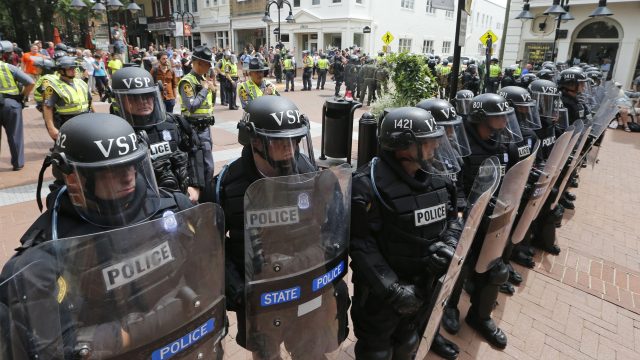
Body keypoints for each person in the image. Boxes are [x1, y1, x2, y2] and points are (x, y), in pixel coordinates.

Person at [0, 113, 226, 360]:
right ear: (75, 178)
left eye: (132, 164)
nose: (128, 175)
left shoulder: (173, 209)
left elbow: (206, 280)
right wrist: (149, 325)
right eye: (112, 170)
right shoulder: (42, 259)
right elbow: (52, 349)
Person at [211, 96, 350, 359]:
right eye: (279, 142)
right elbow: (212, 247)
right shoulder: (227, 186)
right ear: (254, 142)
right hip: (260, 298)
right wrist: (236, 287)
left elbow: (332, 230)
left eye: (294, 140)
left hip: (307, 288)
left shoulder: (312, 174)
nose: (290, 149)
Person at [350, 107, 463, 360]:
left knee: (409, 343)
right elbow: (359, 243)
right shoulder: (367, 185)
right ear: (403, 146)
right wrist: (393, 289)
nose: (436, 146)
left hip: (425, 283)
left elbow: (453, 220)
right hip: (382, 295)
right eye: (428, 141)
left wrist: (450, 243)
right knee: (376, 351)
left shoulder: (439, 177)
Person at [442, 93, 524, 349]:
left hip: (492, 216)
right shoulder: (460, 146)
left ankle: (480, 316)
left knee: (494, 268)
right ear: (481, 118)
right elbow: (456, 185)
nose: (505, 120)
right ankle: (450, 307)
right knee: (461, 266)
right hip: (467, 218)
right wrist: (464, 212)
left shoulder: (501, 142)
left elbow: (505, 178)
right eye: (498, 115)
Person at [111, 66, 205, 203]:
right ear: (119, 100)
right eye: (134, 98)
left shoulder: (175, 123)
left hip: (182, 201)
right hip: (141, 207)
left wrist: (195, 186)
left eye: (147, 96)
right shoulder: (112, 134)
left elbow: (195, 151)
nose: (143, 102)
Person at [179, 45, 217, 194]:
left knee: (206, 165)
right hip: (193, 129)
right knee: (201, 165)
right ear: (199, 63)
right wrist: (206, 89)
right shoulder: (187, 82)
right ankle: (202, 195)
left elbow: (209, 106)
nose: (209, 68)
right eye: (207, 64)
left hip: (205, 128)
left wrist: (212, 91)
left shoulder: (203, 80)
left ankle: (204, 193)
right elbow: (192, 106)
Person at [0, 41, 34, 171]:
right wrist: (22, 97)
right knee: (15, 135)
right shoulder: (9, 67)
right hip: (11, 104)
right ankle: (17, 163)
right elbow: (30, 83)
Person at [42, 56, 92, 141]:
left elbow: (89, 101)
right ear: (61, 71)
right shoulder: (51, 86)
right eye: (70, 68)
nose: (74, 70)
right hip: (67, 122)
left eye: (74, 68)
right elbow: (47, 108)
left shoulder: (81, 82)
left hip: (86, 119)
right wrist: (51, 128)